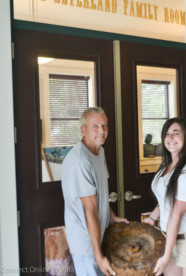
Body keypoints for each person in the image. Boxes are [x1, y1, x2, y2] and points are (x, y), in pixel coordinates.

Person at [61, 107, 129, 276]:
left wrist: (111, 216)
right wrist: (98, 255)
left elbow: (100, 194)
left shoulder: (99, 151)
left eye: (104, 126)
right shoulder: (80, 160)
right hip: (86, 244)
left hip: (99, 237)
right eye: (95, 126)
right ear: (83, 130)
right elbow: (90, 209)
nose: (102, 131)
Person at [143, 117, 186, 276]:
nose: (170, 138)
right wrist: (152, 218)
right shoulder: (166, 167)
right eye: (167, 134)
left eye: (176, 133)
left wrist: (166, 256)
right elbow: (165, 200)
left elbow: (175, 213)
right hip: (170, 238)